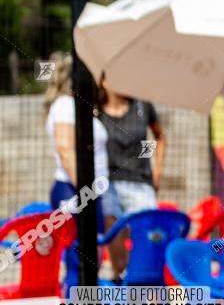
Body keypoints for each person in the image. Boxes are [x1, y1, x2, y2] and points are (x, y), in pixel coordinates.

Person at [44, 51, 109, 288]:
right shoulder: (64, 105)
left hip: (88, 192)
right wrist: (85, 191)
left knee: (91, 259)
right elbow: (64, 147)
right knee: (78, 260)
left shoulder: (80, 105)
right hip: (73, 190)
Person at [97, 74, 165, 279]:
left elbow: (159, 137)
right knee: (118, 256)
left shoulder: (142, 105)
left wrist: (158, 173)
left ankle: (151, 300)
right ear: (104, 82)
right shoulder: (95, 111)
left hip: (141, 184)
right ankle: (123, 285)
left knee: (149, 249)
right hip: (108, 185)